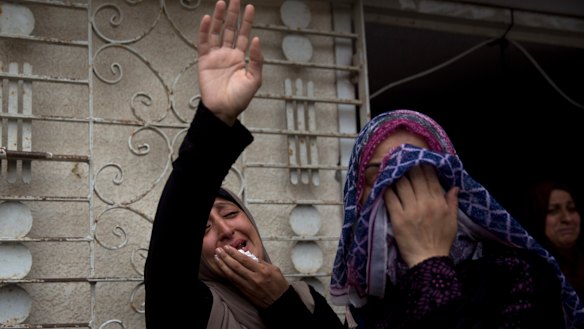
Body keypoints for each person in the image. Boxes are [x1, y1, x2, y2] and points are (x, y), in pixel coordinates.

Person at [143, 1, 346, 328]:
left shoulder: (307, 300)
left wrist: (282, 303)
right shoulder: (188, 307)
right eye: (205, 229)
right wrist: (216, 118)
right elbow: (176, 233)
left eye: (230, 213)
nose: (225, 230)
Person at [329, 109, 584, 328]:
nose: (400, 185)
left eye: (421, 170)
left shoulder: (516, 276)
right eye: (378, 174)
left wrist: (428, 262)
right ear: (357, 199)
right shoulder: (369, 298)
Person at [520, 180, 584, 299]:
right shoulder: (527, 272)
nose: (567, 218)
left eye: (572, 208)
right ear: (537, 217)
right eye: (552, 210)